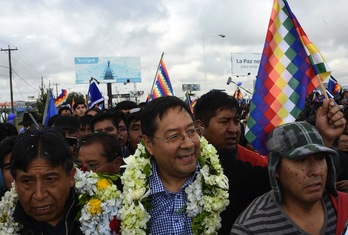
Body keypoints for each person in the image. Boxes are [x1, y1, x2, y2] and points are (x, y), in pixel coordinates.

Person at [194, 90, 346, 234]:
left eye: (236, 121)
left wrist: (323, 140)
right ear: (199, 127)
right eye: (224, 121)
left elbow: (285, 179)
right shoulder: (184, 167)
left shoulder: (254, 161)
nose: (234, 129)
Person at [120, 96, 229, 234]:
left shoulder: (223, 176)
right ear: (149, 144)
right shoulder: (126, 192)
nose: (189, 143)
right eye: (174, 136)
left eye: (191, 131)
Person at [231, 121, 348, 235]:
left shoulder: (343, 207)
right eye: (301, 160)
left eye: (320, 158)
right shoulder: (251, 228)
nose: (316, 171)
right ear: (275, 168)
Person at [10, 127, 83, 234]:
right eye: (27, 181)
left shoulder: (107, 218)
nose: (39, 195)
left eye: (50, 179)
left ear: (71, 177)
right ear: (15, 183)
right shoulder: (5, 224)